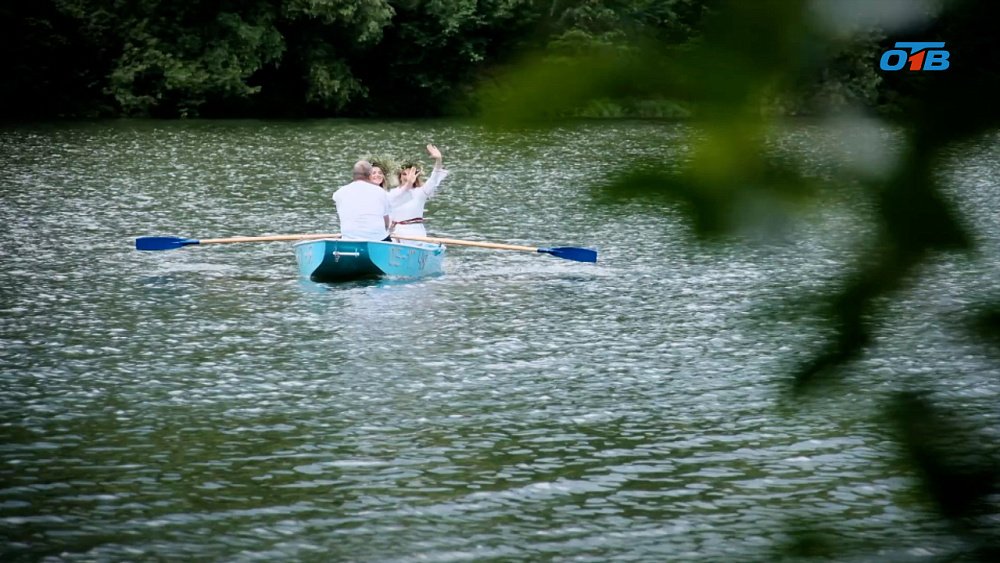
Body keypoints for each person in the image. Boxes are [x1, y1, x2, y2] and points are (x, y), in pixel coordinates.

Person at [387, 144, 449, 238]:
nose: (408, 177)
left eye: (411, 174)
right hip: (396, 233)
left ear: (416, 176)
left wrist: (438, 160)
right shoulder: (393, 192)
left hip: (415, 233)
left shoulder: (421, 192)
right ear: (400, 176)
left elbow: (434, 178)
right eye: (404, 174)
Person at [332, 160, 392, 241]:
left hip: (349, 239)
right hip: (377, 239)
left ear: (353, 175)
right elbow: (386, 223)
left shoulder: (339, 193)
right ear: (370, 175)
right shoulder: (380, 192)